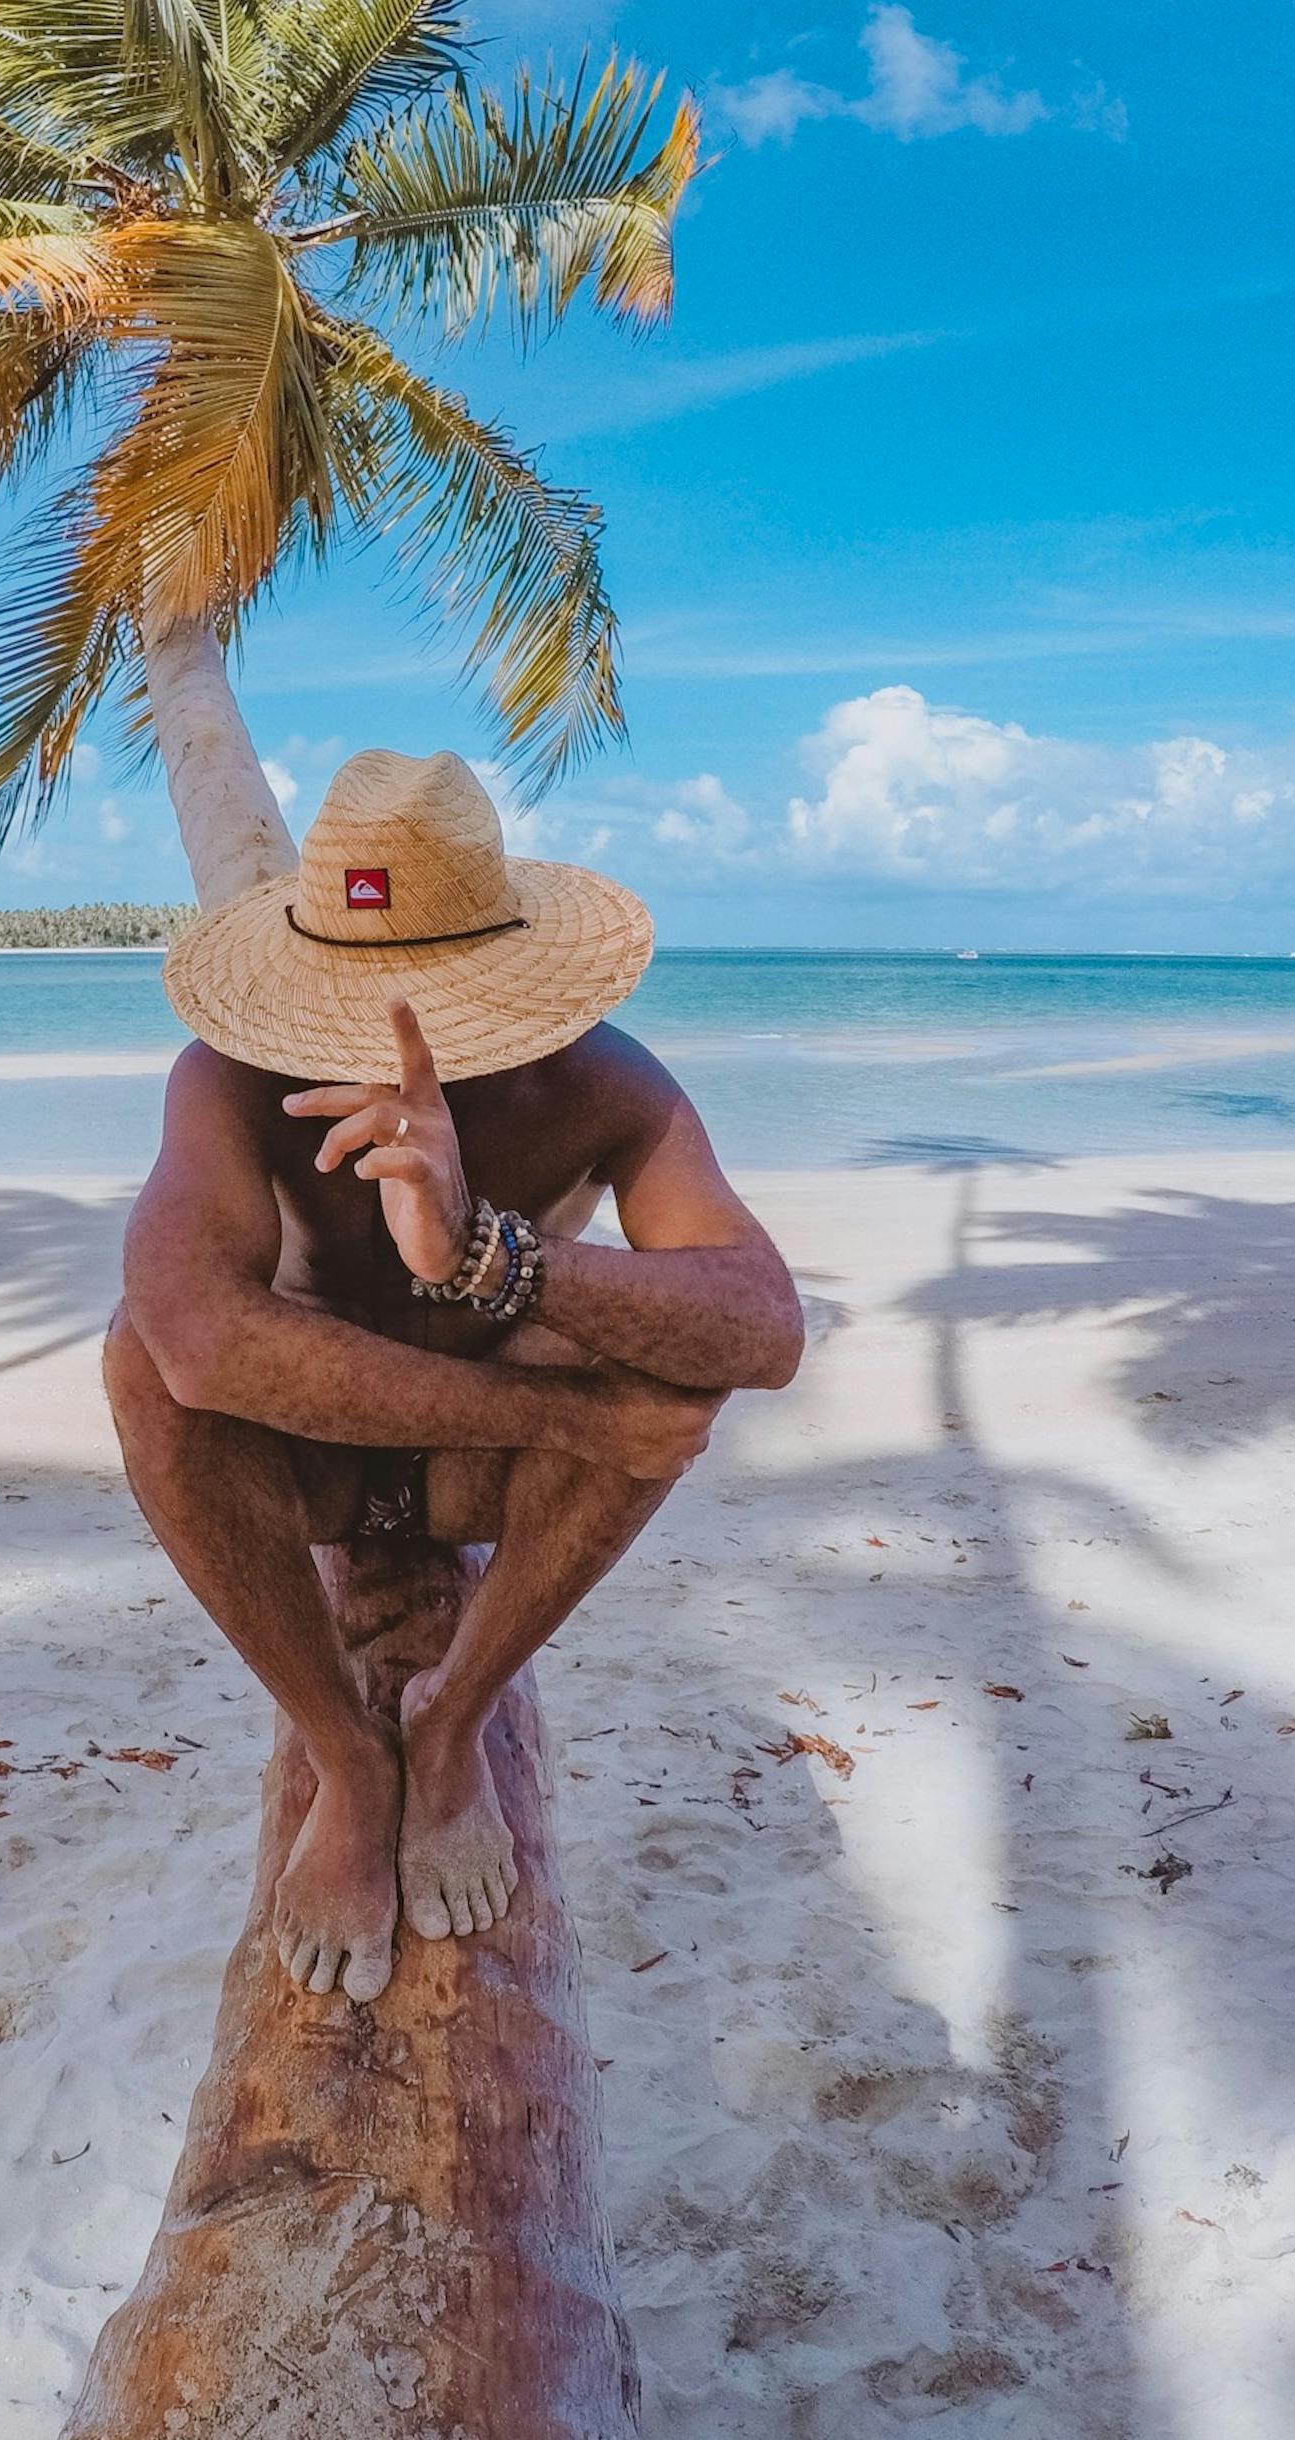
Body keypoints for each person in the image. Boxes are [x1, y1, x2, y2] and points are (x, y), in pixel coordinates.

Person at [107, 748, 804, 2002]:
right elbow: (192, 1336)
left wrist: (491, 1250)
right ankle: (348, 1756)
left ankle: (450, 1721)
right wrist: (563, 1415)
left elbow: (762, 1328)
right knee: (139, 1365)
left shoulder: (599, 1086)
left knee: (666, 1361)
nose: (392, 1032)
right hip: (310, 1472)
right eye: (357, 994)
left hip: (481, 1481)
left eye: (432, 1000)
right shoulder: (235, 1081)